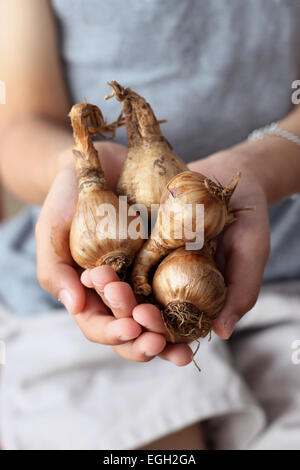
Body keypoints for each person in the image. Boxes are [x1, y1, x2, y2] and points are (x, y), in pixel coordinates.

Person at [0, 0, 300, 450]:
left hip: (289, 273)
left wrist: (255, 168)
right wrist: (79, 171)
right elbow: (20, 123)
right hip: (84, 295)